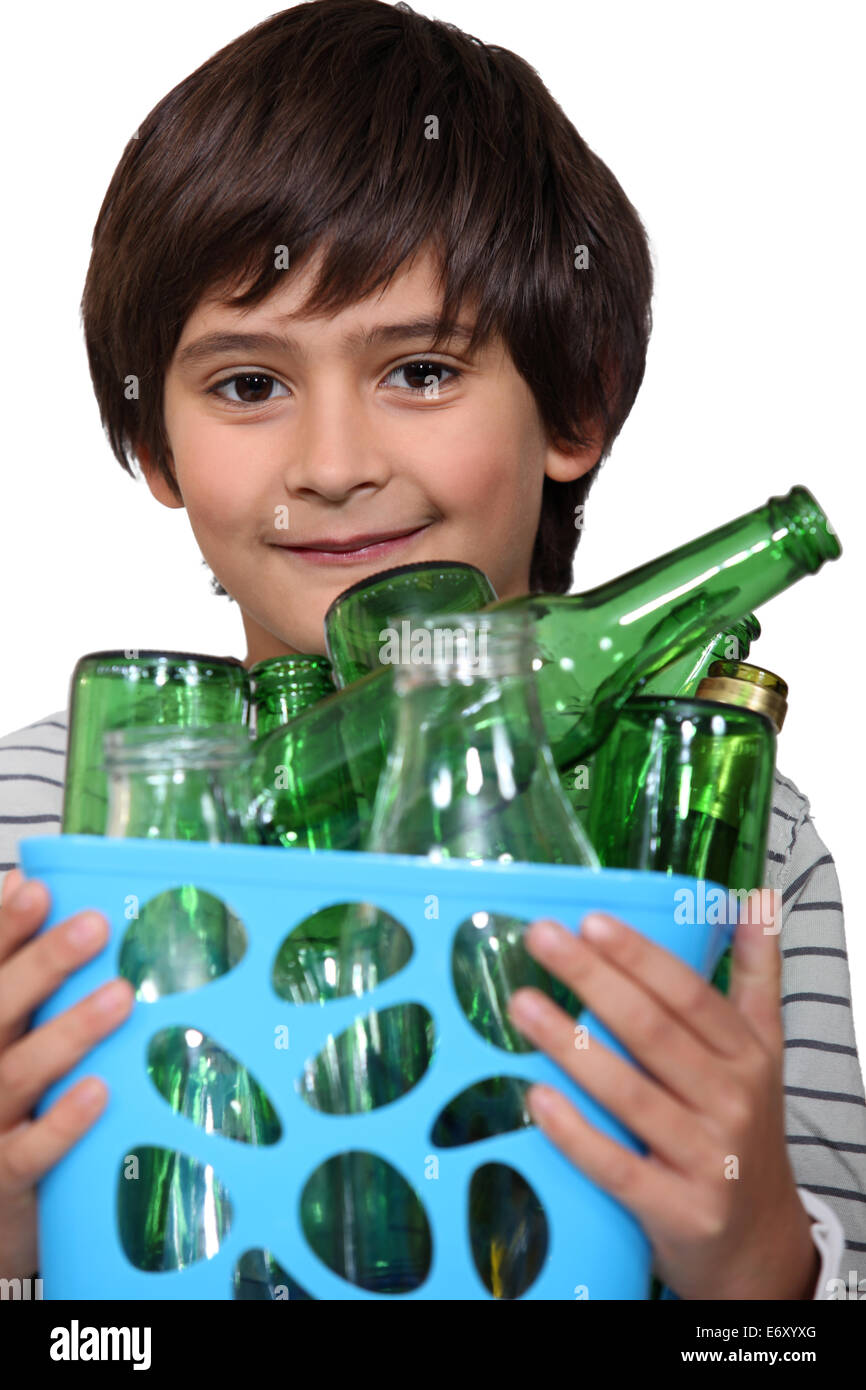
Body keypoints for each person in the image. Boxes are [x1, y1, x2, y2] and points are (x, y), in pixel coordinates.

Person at [0, 0, 861, 1299]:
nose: (336, 467)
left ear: (575, 400)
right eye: (247, 384)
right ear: (155, 449)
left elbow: (786, 1266)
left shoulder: (732, 831)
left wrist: (754, 1262)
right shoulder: (36, 822)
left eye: (418, 370)